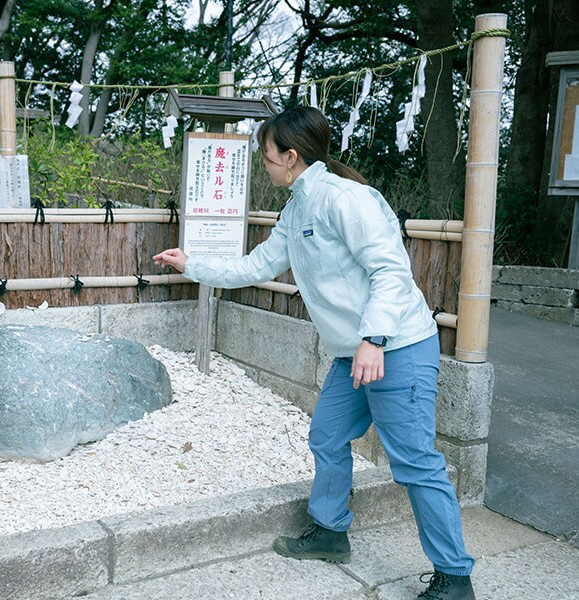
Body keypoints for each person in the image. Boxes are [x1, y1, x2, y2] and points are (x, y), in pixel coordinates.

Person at [153, 106, 475, 600]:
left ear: (291, 156)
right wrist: (192, 264)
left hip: (398, 346)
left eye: (267, 156)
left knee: (415, 463)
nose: (265, 164)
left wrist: (374, 339)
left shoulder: (348, 200)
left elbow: (390, 271)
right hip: (356, 353)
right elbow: (256, 265)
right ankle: (329, 532)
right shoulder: (298, 207)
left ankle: (454, 576)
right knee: (326, 436)